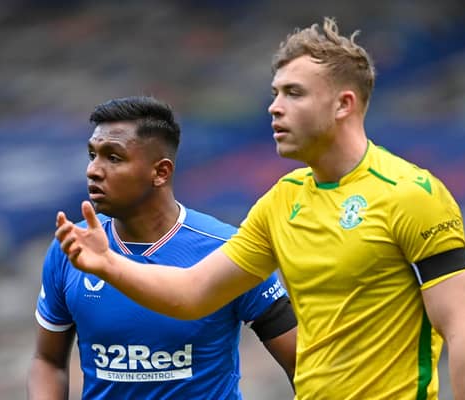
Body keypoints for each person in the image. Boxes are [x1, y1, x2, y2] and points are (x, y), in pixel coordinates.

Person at [54, 18, 465, 400]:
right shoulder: (282, 201)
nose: (274, 107)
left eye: (294, 93)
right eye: (275, 92)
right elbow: (192, 294)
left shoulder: (411, 194)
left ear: (344, 104)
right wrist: (109, 264)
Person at [27, 96, 297, 400]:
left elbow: (300, 364)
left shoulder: (227, 249)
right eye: (93, 155)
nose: (93, 170)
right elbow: (47, 361)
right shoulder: (70, 249)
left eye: (113, 158)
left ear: (161, 172)